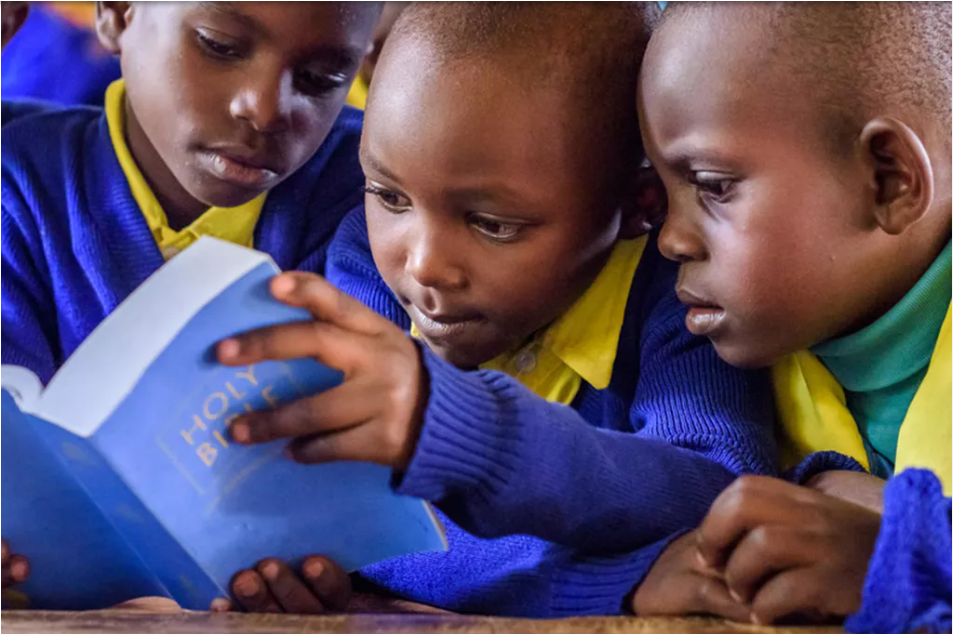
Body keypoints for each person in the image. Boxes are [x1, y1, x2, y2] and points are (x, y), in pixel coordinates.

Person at [213, 3, 781, 617]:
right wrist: (621, 579)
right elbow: (338, 528)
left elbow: (719, 500)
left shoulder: (682, 297)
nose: (424, 264)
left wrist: (467, 435)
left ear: (638, 204)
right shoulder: (362, 264)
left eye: (492, 224)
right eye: (389, 195)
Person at [1, 0, 381, 596]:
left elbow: (372, 490)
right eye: (220, 46)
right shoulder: (19, 186)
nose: (265, 108)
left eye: (320, 79)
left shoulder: (375, 200)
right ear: (120, 13)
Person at [633, 3, 951, 632]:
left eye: (713, 184)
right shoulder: (753, 350)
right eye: (660, 194)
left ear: (888, 180)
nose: (670, 240)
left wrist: (907, 557)